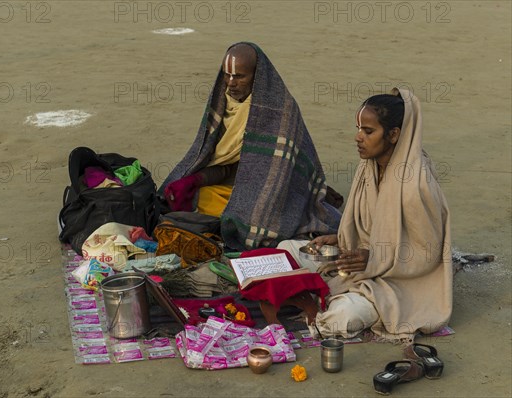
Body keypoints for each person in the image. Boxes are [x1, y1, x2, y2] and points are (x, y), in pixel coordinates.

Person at [301, 88, 452, 343]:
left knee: (342, 317)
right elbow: (367, 225)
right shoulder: (367, 166)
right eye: (358, 128)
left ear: (394, 135)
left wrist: (374, 259)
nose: (358, 137)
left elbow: (427, 254)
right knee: (292, 250)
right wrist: (338, 239)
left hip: (400, 281)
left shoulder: (416, 183)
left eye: (368, 131)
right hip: (362, 263)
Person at [160, 42, 342, 250]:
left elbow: (277, 178)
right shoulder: (223, 104)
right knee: (192, 196)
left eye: (239, 76)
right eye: (227, 75)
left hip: (280, 192)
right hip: (239, 186)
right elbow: (225, 164)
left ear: (258, 77)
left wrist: (251, 208)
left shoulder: (281, 112)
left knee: (258, 225)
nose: (230, 82)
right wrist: (195, 180)